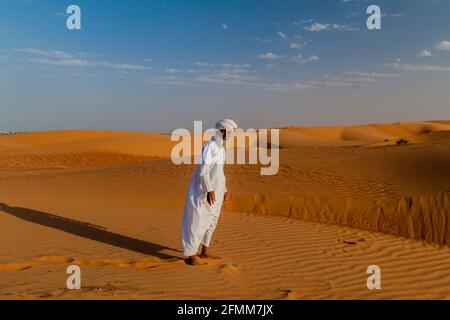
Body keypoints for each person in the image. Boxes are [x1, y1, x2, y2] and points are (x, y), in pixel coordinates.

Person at [181, 119, 238, 265]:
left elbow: (220, 172)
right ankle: (190, 254)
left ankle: (204, 251)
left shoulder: (222, 149)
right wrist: (209, 189)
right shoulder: (210, 146)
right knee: (197, 221)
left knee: (212, 220)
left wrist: (224, 190)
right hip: (203, 191)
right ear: (222, 131)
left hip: (217, 191)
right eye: (229, 133)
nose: (230, 136)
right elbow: (203, 170)